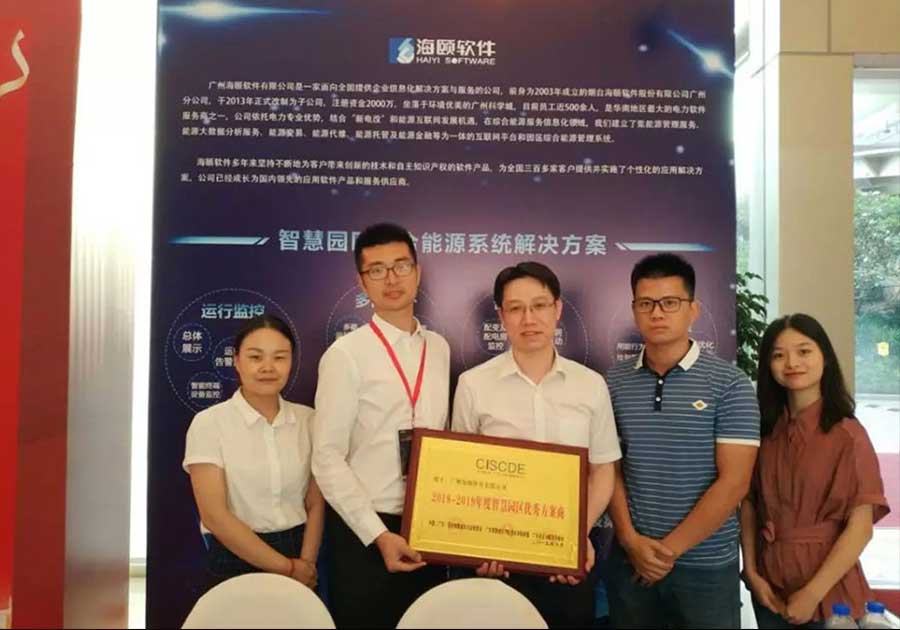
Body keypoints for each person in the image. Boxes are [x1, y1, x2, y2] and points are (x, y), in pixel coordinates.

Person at [453, 261, 621, 628]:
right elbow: (461, 475)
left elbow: (603, 469)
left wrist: (574, 536)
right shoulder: (473, 385)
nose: (529, 319)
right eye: (515, 308)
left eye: (539, 305)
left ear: (557, 308)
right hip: (497, 559)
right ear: (501, 316)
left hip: (568, 557)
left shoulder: (590, 385)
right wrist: (479, 543)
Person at [604, 253, 760, 629]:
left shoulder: (731, 384)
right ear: (634, 310)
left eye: (670, 302)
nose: (657, 313)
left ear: (693, 310)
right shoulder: (612, 382)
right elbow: (609, 469)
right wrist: (630, 541)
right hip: (631, 561)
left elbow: (735, 482)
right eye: (646, 303)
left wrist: (666, 552)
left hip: (705, 567)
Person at [312, 222, 450, 628]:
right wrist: (377, 534)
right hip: (366, 530)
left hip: (428, 526)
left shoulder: (439, 348)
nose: (391, 279)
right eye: (377, 269)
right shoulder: (346, 355)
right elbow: (327, 456)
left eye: (401, 266)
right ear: (361, 282)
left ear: (417, 272)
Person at [741, 313, 889, 629]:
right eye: (778, 355)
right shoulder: (764, 432)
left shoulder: (848, 435)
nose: (792, 363)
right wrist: (752, 572)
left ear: (826, 357)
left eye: (804, 351)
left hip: (829, 595)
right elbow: (750, 504)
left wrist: (812, 593)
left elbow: (861, 527)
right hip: (769, 590)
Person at [183, 314, 324, 591]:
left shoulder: (309, 420)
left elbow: (315, 503)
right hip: (234, 554)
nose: (268, 368)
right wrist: (287, 568)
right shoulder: (209, 423)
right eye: (255, 357)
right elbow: (214, 515)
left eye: (279, 357)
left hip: (299, 551)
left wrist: (305, 563)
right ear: (236, 361)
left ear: (292, 361)